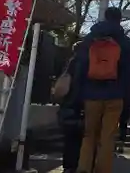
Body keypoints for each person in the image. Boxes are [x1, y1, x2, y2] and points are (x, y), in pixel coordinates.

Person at [73, 7, 130, 173]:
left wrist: (78, 94)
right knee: (107, 137)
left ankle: (84, 168)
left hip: (90, 94)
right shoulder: (124, 42)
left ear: (104, 17)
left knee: (89, 135)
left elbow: (80, 67)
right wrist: (128, 100)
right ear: (119, 20)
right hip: (115, 95)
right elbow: (129, 75)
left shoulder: (90, 39)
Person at [56, 42, 84, 173]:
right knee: (81, 140)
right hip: (83, 107)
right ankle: (79, 166)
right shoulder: (89, 64)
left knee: (69, 140)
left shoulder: (70, 64)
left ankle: (68, 167)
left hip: (68, 107)